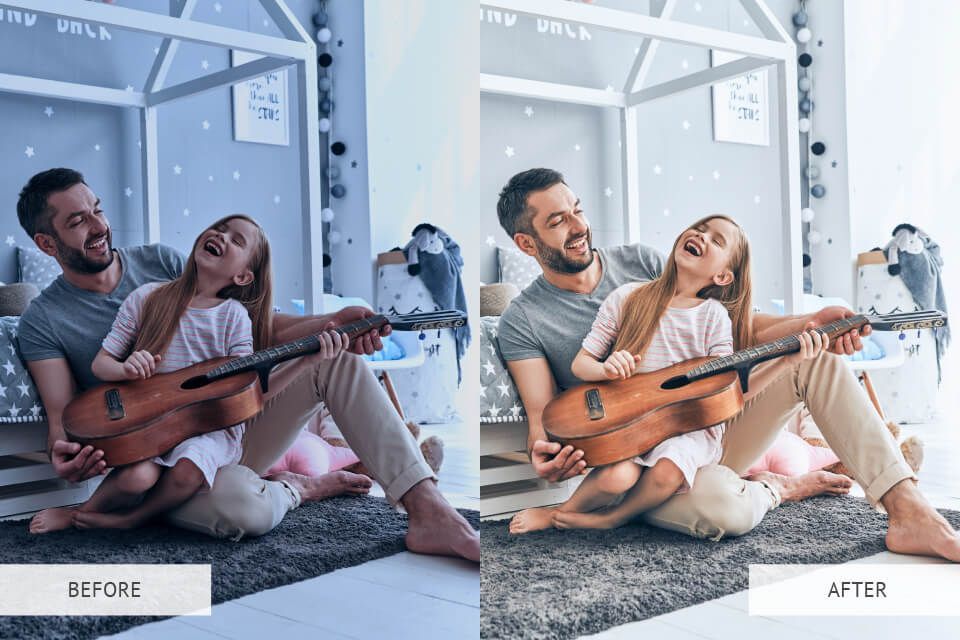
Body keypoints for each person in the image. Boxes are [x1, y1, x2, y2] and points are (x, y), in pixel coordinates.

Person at [497, 167, 960, 560]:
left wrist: (810, 321)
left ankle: (909, 510)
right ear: (526, 243)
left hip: (705, 428)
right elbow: (541, 418)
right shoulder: (524, 318)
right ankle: (780, 487)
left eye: (577, 209)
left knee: (813, 361)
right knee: (723, 509)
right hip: (635, 462)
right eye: (558, 221)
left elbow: (735, 329)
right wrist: (546, 455)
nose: (578, 226)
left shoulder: (639, 263)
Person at [16, 168, 478, 561]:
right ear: (46, 243)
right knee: (241, 510)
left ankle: (428, 509)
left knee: (334, 361)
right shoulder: (44, 319)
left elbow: (257, 328)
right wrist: (66, 456)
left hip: (222, 430)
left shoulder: (158, 262)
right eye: (78, 221)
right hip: (154, 460)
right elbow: (61, 418)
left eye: (97, 209)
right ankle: (301, 487)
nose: (98, 225)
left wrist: (331, 321)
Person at [29, 215, 371, 534]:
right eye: (220, 228)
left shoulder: (233, 317)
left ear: (242, 277)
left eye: (236, 240)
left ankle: (133, 519)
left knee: (189, 469)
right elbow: (101, 364)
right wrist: (124, 368)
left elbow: (250, 393)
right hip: (153, 426)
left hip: (211, 432)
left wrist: (305, 361)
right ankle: (84, 511)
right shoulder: (147, 297)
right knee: (136, 477)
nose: (221, 235)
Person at [510, 215, 848, 534]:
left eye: (716, 240)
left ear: (723, 277)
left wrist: (786, 361)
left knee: (668, 470)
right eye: (700, 227)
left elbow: (729, 391)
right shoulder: (627, 297)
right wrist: (604, 369)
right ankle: (563, 510)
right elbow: (581, 364)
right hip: (635, 425)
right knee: (616, 477)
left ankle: (613, 519)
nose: (701, 235)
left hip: (691, 430)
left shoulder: (713, 316)